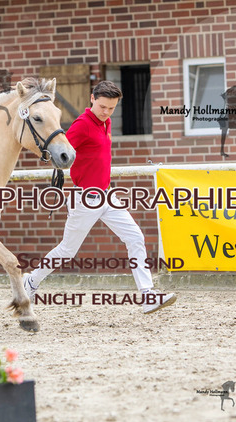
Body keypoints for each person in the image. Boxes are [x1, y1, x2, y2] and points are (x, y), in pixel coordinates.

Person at [23, 80, 176, 314]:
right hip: (85, 198)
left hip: (107, 195)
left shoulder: (106, 122)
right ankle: (31, 281)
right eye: (102, 106)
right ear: (92, 99)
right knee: (67, 250)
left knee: (135, 237)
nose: (106, 112)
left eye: (111, 108)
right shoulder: (82, 125)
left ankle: (148, 296)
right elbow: (60, 151)